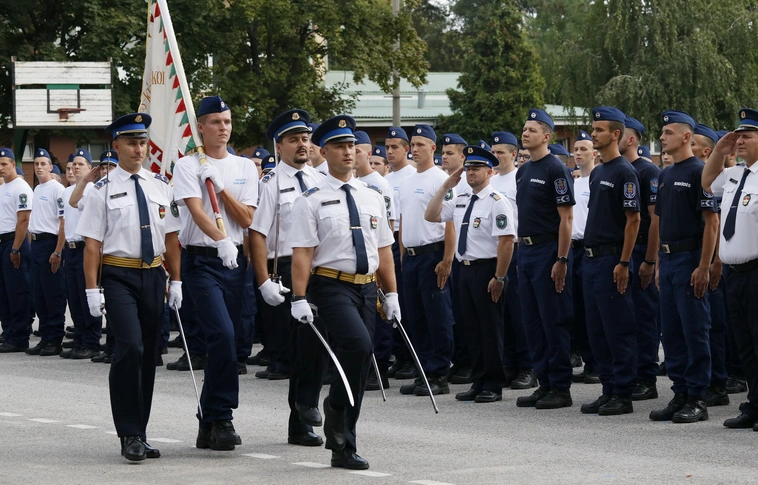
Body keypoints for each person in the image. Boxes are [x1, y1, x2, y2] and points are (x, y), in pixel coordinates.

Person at [289, 114, 400, 470]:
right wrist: (299, 297)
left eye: (351, 145)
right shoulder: (310, 200)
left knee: (361, 361)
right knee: (358, 345)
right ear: (324, 152)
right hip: (331, 285)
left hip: (367, 287)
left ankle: (344, 444)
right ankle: (335, 408)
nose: (348, 152)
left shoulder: (372, 196)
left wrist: (392, 294)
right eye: (339, 146)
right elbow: (303, 252)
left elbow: (384, 250)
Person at [77, 113, 182, 461]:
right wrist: (92, 289)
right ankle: (129, 432)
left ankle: (141, 430)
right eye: (131, 143)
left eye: (142, 143)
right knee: (131, 347)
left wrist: (176, 280)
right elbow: (92, 244)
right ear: (116, 146)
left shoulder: (160, 185)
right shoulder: (101, 190)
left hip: (153, 275)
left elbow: (171, 238)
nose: (138, 149)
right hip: (118, 275)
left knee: (149, 353)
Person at [172, 95, 257, 450]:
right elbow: (196, 211)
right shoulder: (187, 165)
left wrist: (220, 188)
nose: (223, 128)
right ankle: (223, 417)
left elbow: (247, 218)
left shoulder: (245, 167)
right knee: (221, 335)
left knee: (229, 342)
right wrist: (220, 239)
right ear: (201, 127)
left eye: (227, 122)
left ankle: (207, 421)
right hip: (202, 260)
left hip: (233, 262)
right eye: (216, 122)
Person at [251, 108, 326, 446]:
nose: (302, 144)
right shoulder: (270, 184)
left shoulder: (320, 180)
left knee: (314, 343)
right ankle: (301, 414)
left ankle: (303, 412)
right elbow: (257, 233)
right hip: (283, 268)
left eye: (305, 138)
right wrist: (263, 280)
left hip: (317, 267)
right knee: (298, 346)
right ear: (279, 146)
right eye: (294, 139)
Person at [426, 145, 516, 403]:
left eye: (476, 168)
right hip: (464, 270)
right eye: (468, 169)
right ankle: (479, 380)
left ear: (490, 172)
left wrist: (499, 277)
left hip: (487, 269)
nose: (471, 173)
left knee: (490, 329)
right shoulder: (462, 199)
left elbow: (507, 241)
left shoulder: (497, 202)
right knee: (471, 329)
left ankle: (494, 383)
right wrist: (446, 185)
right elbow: (431, 214)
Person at [649, 110, 718, 423]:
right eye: (662, 133)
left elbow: (711, 223)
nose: (662, 137)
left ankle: (697, 397)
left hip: (690, 258)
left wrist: (704, 266)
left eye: (668, 133)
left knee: (694, 329)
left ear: (687, 136)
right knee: (672, 331)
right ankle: (679, 392)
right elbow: (661, 221)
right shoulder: (665, 174)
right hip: (669, 260)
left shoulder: (699, 172)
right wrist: (658, 264)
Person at [579, 107, 641, 416]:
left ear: (616, 134)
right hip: (590, 260)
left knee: (618, 328)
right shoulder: (598, 172)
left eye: (600, 129)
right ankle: (608, 388)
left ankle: (623, 392)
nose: (593, 134)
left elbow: (633, 220)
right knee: (597, 329)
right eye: (593, 129)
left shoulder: (623, 171)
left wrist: (624, 262)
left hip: (611, 259)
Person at [515, 108, 575, 410]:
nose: (526, 134)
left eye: (532, 130)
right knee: (533, 321)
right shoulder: (524, 171)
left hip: (548, 250)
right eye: (524, 129)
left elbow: (567, 219)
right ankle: (544, 382)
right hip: (525, 252)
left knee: (553, 320)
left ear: (547, 137)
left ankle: (561, 387)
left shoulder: (556, 169)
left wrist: (561, 259)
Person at [702, 108, 758, 430]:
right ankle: (754, 405)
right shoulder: (735, 174)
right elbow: (707, 182)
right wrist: (719, 152)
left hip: (757, 272)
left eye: (747, 136)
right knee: (745, 345)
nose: (740, 141)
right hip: (735, 274)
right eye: (738, 137)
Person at [397, 124, 456, 396]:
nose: (415, 149)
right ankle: (423, 372)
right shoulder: (407, 181)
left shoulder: (440, 179)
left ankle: (439, 373)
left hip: (432, 255)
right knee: (415, 318)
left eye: (421, 144)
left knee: (437, 317)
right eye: (413, 144)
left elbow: (450, 223)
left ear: (433, 148)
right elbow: (403, 221)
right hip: (410, 258)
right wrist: (401, 255)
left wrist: (447, 259)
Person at [619, 116, 662, 402]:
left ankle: (646, 377)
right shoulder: (615, 169)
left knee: (644, 316)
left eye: (620, 133)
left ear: (631, 139)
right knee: (624, 317)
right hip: (622, 251)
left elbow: (655, 219)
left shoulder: (648, 171)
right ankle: (628, 373)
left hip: (641, 249)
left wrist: (650, 260)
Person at [490, 130, 536, 389]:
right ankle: (509, 363)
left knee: (519, 312)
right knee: (502, 312)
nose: (496, 156)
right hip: (495, 251)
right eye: (494, 152)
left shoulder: (519, 178)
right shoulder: (491, 180)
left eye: (501, 152)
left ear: (514, 154)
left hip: (516, 248)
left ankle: (527, 366)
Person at [692, 123, 731, 407]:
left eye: (694, 144)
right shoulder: (707, 177)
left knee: (715, 324)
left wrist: (715, 261)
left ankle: (720, 380)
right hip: (696, 258)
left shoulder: (719, 179)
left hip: (717, 260)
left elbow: (716, 224)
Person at [354, 130, 396, 391]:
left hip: (376, 258)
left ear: (369, 153)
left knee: (379, 318)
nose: (353, 154)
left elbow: (387, 227)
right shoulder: (354, 182)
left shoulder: (379, 184)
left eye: (358, 150)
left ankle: (379, 370)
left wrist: (382, 269)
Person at [60, 149, 103, 359]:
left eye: (81, 164)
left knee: (88, 297)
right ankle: (79, 339)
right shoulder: (68, 191)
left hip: (86, 247)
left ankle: (91, 342)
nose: (76, 167)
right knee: (74, 298)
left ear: (90, 168)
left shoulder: (94, 189)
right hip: (70, 248)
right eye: (74, 164)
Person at [383, 127, 417, 380]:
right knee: (390, 300)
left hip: (400, 240)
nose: (390, 151)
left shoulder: (412, 176)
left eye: (395, 147)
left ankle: (410, 357)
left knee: (405, 301)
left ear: (407, 149)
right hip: (387, 241)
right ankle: (399, 354)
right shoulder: (387, 178)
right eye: (387, 147)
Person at [26, 148, 66, 357]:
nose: (39, 167)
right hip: (36, 244)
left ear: (51, 167)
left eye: (43, 164)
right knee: (39, 293)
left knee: (53, 294)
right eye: (36, 164)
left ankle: (55, 339)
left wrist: (58, 251)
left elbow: (63, 222)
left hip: (50, 243)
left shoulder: (57, 189)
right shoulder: (37, 189)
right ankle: (45, 336)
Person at [440, 133, 474, 385]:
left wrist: (449, 258)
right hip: (457, 256)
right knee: (457, 313)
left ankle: (468, 362)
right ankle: (460, 360)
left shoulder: (467, 184)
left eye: (450, 153)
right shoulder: (448, 183)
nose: (444, 156)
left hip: (467, 256)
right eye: (443, 152)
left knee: (466, 316)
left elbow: (453, 225)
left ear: (462, 157)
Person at [569, 130, 599, 385]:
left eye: (583, 149)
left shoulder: (598, 180)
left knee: (593, 309)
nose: (578, 153)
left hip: (591, 249)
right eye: (576, 149)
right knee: (577, 308)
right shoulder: (574, 183)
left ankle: (598, 364)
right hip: (573, 249)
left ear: (594, 153)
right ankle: (588, 360)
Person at [0, 149, 33, 353]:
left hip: (14, 241)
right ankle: (9, 332)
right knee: (4, 291)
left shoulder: (21, 187)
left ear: (13, 164)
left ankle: (20, 336)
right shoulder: (3, 187)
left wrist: (15, 248)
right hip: (2, 241)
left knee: (17, 291)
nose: (1, 167)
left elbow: (24, 221)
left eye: (4, 163)